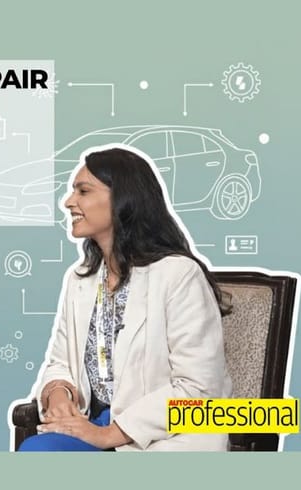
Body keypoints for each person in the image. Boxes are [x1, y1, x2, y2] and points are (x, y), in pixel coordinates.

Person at [19, 146, 232, 451]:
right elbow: (61, 361)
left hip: (166, 437)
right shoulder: (80, 279)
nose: (68, 202)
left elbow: (199, 389)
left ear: (123, 199)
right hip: (98, 424)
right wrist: (57, 392)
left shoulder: (179, 275)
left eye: (83, 191)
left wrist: (109, 434)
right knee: (39, 450)